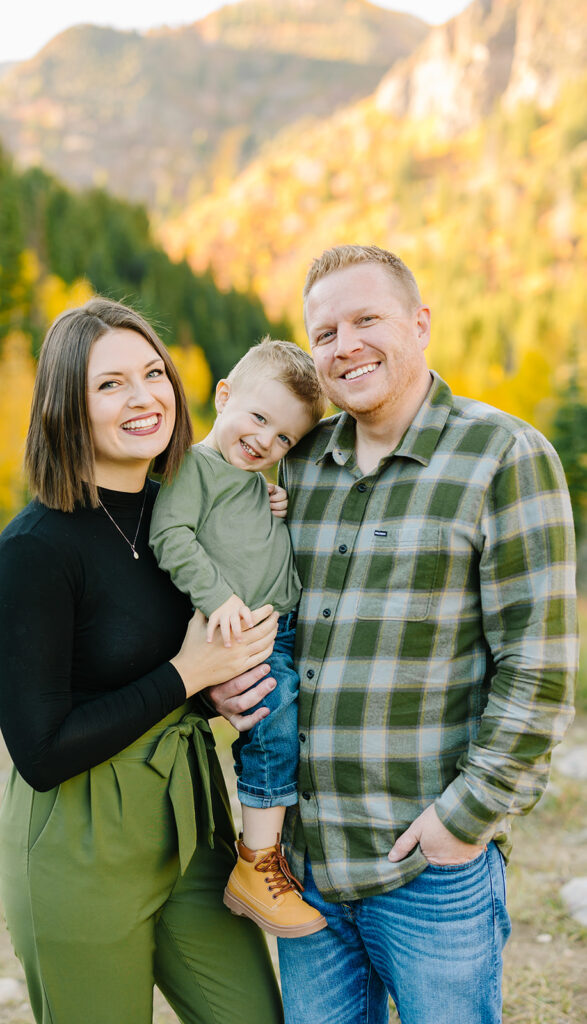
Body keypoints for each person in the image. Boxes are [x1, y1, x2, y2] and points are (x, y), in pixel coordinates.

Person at [209, 245, 578, 1024]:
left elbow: (538, 668)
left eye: (365, 319)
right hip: (303, 867)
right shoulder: (296, 463)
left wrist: (462, 821)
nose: (345, 346)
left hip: (426, 867)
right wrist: (216, 676)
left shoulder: (504, 456)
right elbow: (256, 601)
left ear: (419, 323)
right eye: (325, 332)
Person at [0, 297, 285, 1024]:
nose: (145, 396)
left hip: (191, 821)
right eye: (110, 384)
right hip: (77, 843)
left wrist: (208, 697)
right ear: (66, 408)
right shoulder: (36, 550)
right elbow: (40, 750)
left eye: (153, 372)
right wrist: (187, 675)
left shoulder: (187, 512)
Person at [149, 338, 327, 938]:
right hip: (244, 634)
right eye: (258, 418)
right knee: (272, 731)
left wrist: (270, 496)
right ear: (224, 396)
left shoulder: (251, 479)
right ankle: (256, 865)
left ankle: (270, 854)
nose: (265, 442)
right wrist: (217, 599)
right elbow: (171, 537)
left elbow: (244, 525)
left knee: (289, 732)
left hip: (285, 627)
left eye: (284, 439)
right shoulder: (189, 468)